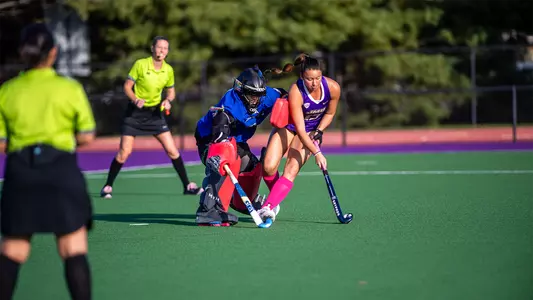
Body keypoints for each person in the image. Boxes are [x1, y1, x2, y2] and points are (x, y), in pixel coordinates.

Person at [0, 23, 95, 300]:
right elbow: (87, 136)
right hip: (61, 171)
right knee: (73, 249)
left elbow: (2, 143)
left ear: (22, 52)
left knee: (13, 252)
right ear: (53, 53)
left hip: (21, 173)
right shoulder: (69, 88)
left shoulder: (7, 91)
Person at [100, 36, 202, 198]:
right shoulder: (140, 64)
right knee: (124, 152)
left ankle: (187, 186)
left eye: (165, 48)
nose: (162, 51)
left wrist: (168, 101)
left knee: (172, 150)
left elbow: (171, 91)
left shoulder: (168, 70)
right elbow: (127, 86)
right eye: (159, 47)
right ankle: (107, 186)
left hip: (155, 114)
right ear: (152, 48)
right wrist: (135, 99)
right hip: (134, 114)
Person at [194, 66, 288, 226]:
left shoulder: (268, 96)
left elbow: (285, 95)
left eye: (258, 95)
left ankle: (243, 203)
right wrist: (215, 159)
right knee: (224, 157)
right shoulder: (230, 102)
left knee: (253, 168)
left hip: (236, 143)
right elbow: (219, 133)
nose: (255, 100)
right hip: (210, 140)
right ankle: (208, 210)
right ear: (241, 91)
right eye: (251, 95)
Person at [258, 53, 341, 222]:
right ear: (303, 76)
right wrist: (317, 153)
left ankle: (269, 206)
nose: (314, 83)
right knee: (267, 167)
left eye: (318, 78)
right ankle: (276, 198)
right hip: (291, 126)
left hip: (311, 131)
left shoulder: (332, 88)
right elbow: (300, 129)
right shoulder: (296, 91)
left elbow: (330, 113)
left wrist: (319, 131)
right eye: (310, 79)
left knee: (291, 169)